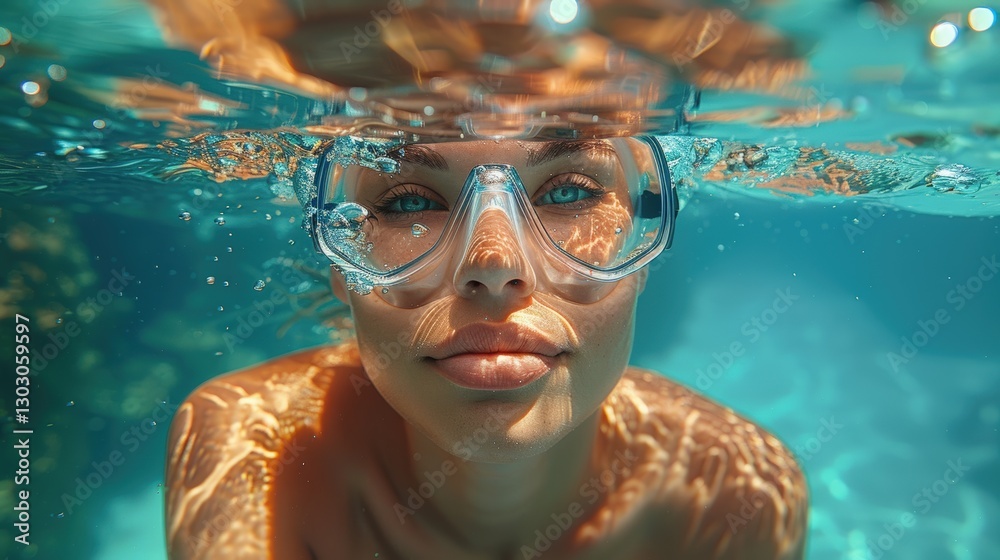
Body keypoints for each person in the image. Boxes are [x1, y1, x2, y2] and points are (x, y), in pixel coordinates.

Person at [164, 134, 808, 559]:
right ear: (342, 266)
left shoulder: (730, 490)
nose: (494, 265)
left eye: (568, 193)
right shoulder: (255, 456)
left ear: (639, 255)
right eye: (411, 200)